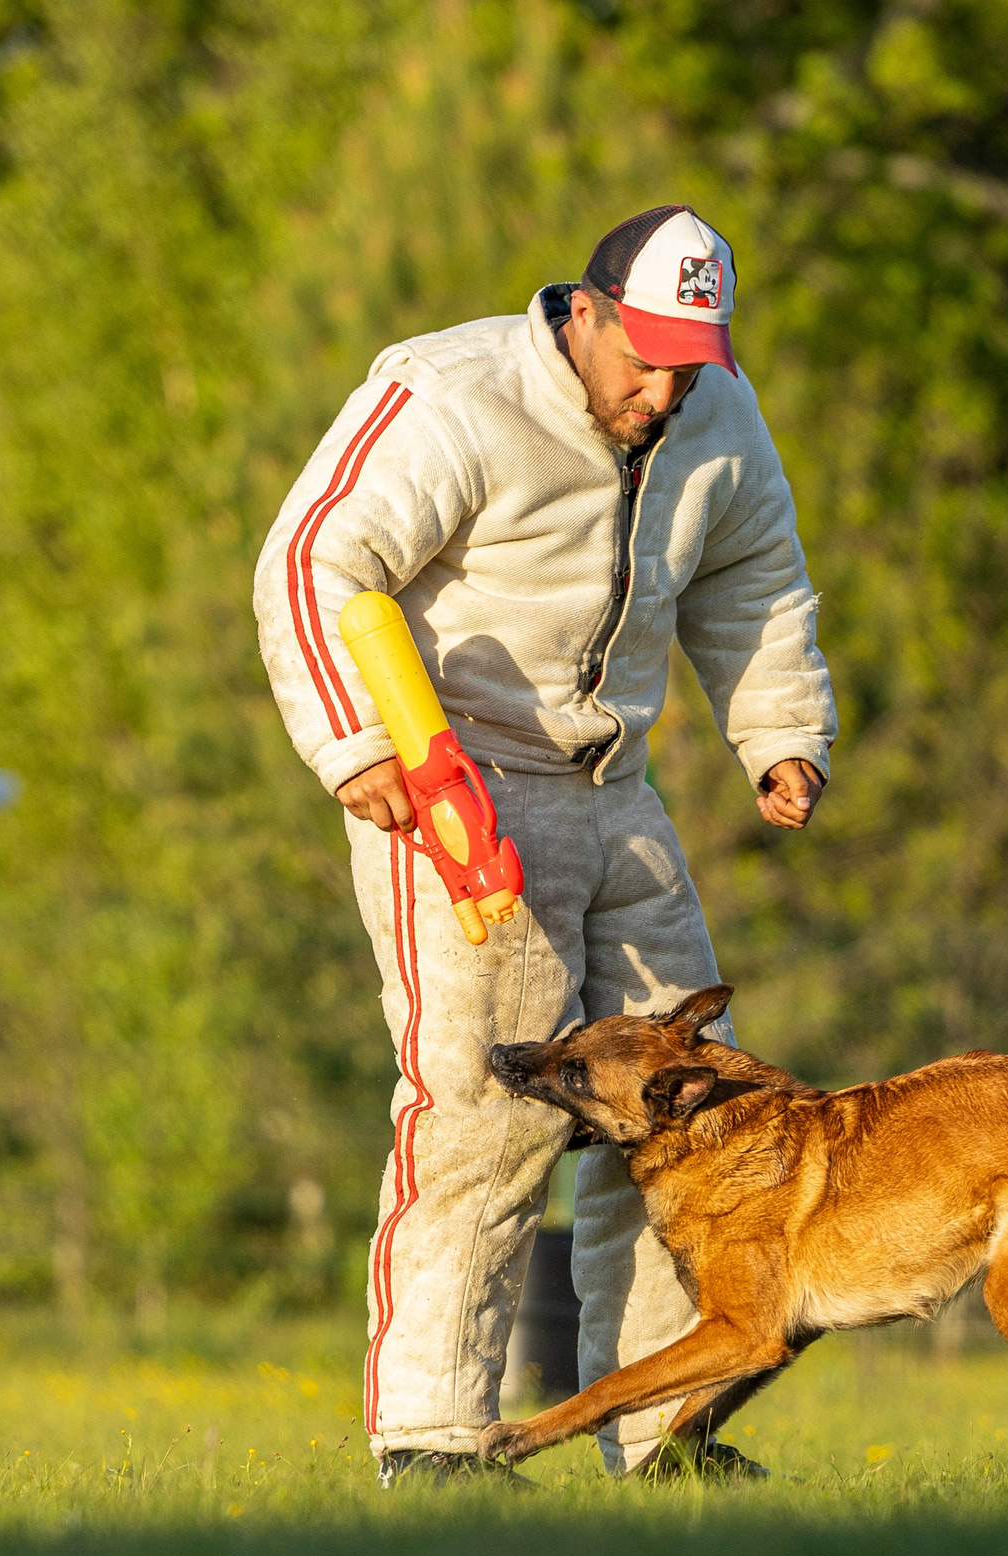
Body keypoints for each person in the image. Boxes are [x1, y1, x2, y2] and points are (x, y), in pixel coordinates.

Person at [253, 205, 835, 1486]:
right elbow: (311, 561)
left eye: (693, 361)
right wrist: (358, 746)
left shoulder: (715, 416)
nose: (665, 387)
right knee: (483, 1114)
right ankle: (437, 1436)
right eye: (646, 357)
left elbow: (756, 578)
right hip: (456, 791)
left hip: (618, 790)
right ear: (584, 312)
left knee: (696, 1107)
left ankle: (663, 1434)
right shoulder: (449, 395)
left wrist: (781, 734)